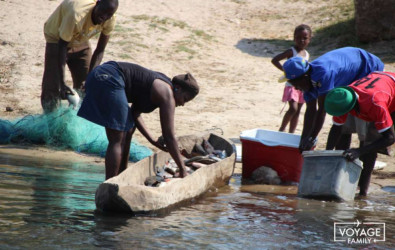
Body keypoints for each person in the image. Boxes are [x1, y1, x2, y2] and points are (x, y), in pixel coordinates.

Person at [77, 61, 199, 180]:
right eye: (185, 99)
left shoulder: (160, 87)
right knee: (117, 139)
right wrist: (182, 169)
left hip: (98, 75)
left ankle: (121, 175)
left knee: (129, 129)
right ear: (177, 88)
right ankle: (110, 184)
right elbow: (169, 136)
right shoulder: (167, 93)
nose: (183, 104)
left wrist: (152, 140)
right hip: (109, 77)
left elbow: (135, 113)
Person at [281, 47, 384, 151]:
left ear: (304, 76)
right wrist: (303, 139)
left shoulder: (324, 74)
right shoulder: (306, 81)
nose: (295, 87)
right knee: (343, 118)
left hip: (367, 67)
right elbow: (310, 111)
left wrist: (312, 138)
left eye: (295, 83)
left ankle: (367, 155)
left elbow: (322, 110)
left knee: (362, 120)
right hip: (348, 72)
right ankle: (341, 154)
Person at [325, 71, 395, 195]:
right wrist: (326, 156)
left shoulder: (375, 104)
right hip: (378, 83)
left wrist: (359, 151)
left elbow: (389, 138)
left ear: (352, 106)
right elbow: (336, 129)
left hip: (388, 90)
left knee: (371, 141)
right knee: (360, 137)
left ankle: (363, 193)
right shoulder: (342, 96)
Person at [41, 0, 119, 112]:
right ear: (97, 3)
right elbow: (62, 45)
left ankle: (76, 116)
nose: (104, 17)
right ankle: (50, 121)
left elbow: (100, 50)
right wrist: (62, 83)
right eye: (103, 11)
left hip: (80, 39)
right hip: (57, 38)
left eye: (109, 14)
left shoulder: (110, 19)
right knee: (52, 86)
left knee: (86, 85)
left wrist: (90, 79)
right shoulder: (77, 15)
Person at [272, 24, 312, 133]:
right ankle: (282, 129)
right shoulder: (291, 51)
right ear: (294, 38)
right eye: (298, 38)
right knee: (293, 108)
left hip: (301, 87)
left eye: (305, 38)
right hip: (291, 85)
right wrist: (286, 72)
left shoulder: (306, 54)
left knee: (298, 110)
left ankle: (291, 133)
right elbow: (275, 60)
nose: (301, 41)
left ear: (309, 39)